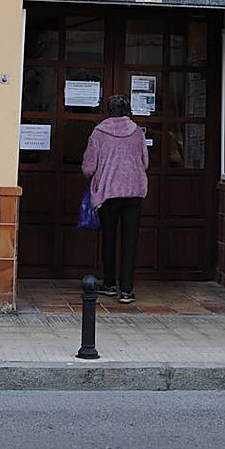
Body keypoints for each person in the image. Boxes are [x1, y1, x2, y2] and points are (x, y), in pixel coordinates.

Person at [81, 94, 148, 304]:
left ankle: (109, 284)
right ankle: (126, 290)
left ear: (109, 111)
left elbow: (89, 167)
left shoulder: (99, 133)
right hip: (134, 191)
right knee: (130, 241)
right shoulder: (137, 132)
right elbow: (145, 162)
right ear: (127, 110)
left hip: (108, 193)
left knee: (109, 239)